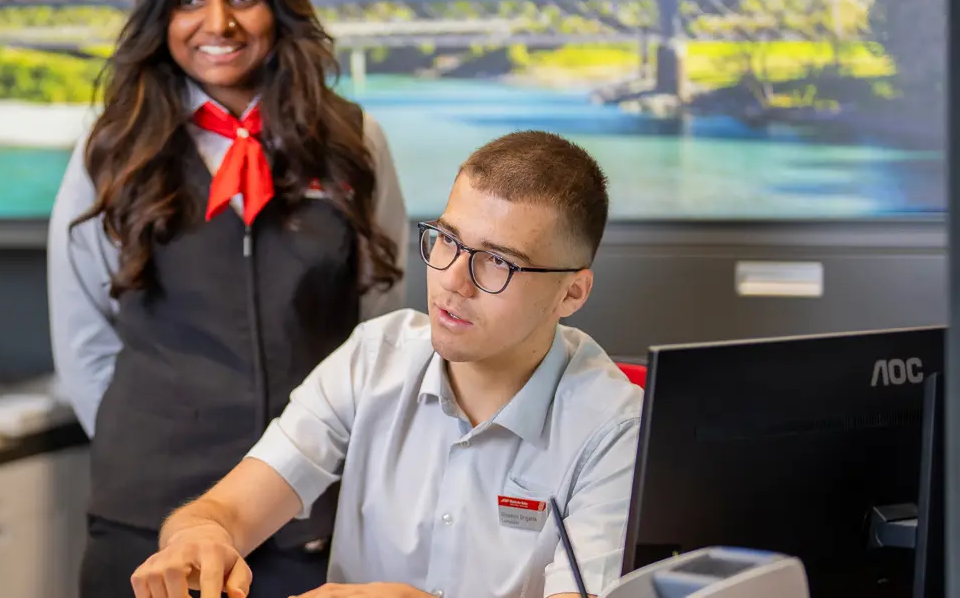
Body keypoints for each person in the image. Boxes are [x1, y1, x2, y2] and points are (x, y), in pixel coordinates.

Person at [49, 0, 410, 598]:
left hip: (310, 524)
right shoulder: (111, 146)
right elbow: (83, 338)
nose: (218, 23)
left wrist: (305, 467)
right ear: (162, 14)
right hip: (145, 528)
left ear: (279, 3)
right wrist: (149, 442)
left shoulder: (355, 142)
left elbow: (380, 333)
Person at [130, 131, 644, 598]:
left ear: (572, 292)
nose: (453, 282)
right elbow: (228, 510)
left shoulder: (617, 427)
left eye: (499, 262)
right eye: (448, 239)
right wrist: (200, 537)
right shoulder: (376, 355)